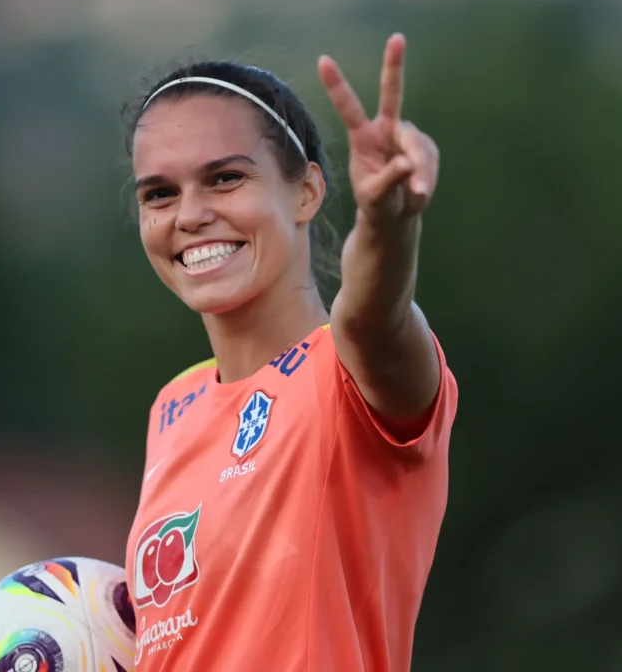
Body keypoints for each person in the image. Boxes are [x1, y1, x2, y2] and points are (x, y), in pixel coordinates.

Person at [123, 33, 458, 671]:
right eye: (159, 194)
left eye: (225, 178)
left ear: (306, 191)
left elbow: (374, 317)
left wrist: (387, 224)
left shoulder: (350, 371)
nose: (189, 215)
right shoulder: (172, 407)